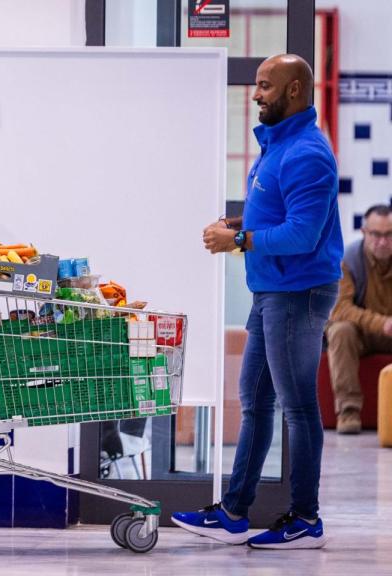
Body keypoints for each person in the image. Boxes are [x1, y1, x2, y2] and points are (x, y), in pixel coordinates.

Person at [174, 54, 342, 550]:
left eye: (265, 86)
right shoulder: (277, 146)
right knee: (255, 400)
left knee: (297, 407)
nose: (255, 94)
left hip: (298, 294)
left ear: (294, 91)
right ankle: (234, 513)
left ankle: (306, 519)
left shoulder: (308, 153)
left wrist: (241, 240)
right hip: (271, 291)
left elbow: (304, 234)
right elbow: (278, 216)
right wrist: (238, 227)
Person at [325, 204, 392, 434]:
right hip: (362, 335)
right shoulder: (348, 260)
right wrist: (382, 323)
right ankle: (348, 412)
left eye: (389, 234)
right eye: (376, 234)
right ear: (364, 232)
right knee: (340, 330)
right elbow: (339, 309)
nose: (383, 241)